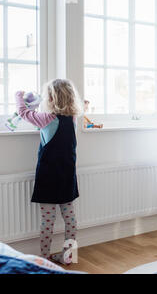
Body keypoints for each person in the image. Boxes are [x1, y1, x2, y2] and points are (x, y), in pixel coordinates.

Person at [15, 79, 82, 265]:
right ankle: (69, 256)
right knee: (70, 219)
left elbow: (23, 113)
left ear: (52, 99)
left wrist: (19, 97)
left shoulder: (46, 119)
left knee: (48, 220)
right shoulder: (73, 119)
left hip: (48, 177)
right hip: (67, 176)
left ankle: (44, 258)